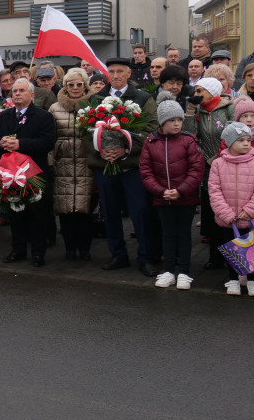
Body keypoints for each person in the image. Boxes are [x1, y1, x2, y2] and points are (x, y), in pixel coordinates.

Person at [88, 57, 156, 276]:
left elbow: (150, 131)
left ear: (129, 74)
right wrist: (102, 149)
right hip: (105, 166)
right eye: (111, 72)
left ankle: (145, 257)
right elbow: (84, 131)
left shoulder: (143, 98)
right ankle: (118, 254)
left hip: (131, 168)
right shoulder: (96, 99)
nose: (115, 75)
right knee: (110, 213)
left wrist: (125, 149)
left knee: (140, 213)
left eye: (120, 71)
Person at [139, 95, 203, 290]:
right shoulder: (151, 142)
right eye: (171, 120)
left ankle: (184, 272)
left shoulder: (189, 140)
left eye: (179, 120)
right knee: (167, 234)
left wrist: (180, 190)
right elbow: (146, 170)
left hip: (186, 198)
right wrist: (160, 191)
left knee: (184, 234)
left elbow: (196, 169)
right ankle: (168, 270)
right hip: (162, 198)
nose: (176, 124)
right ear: (162, 122)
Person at [0, 79, 56, 266]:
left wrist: (21, 145)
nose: (17, 94)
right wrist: (1, 142)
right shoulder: (4, 116)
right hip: (11, 172)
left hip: (34, 172)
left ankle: (38, 253)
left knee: (37, 215)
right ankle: (17, 250)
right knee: (15, 212)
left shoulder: (43, 116)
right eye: (14, 91)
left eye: (21, 90)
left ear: (32, 95)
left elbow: (48, 142)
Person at [184, 76, 234, 269]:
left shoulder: (228, 107)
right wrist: (190, 111)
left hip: (226, 164)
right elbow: (190, 136)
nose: (195, 95)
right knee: (212, 212)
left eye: (199, 91)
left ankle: (233, 257)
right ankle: (215, 257)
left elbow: (234, 132)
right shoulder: (198, 111)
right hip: (207, 168)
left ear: (212, 91)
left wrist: (220, 155)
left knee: (227, 212)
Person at [50, 68, 97, 260]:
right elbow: (50, 138)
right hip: (64, 164)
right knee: (66, 209)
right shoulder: (54, 108)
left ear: (85, 85)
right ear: (65, 86)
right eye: (71, 84)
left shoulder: (95, 106)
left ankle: (85, 248)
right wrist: (52, 160)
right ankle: (70, 248)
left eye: (79, 84)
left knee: (86, 209)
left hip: (88, 165)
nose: (75, 88)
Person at [207, 122, 254, 295]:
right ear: (229, 142)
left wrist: (249, 211)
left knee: (251, 251)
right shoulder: (218, 164)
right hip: (228, 220)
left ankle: (251, 281)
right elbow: (214, 190)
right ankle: (233, 279)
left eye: (248, 140)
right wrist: (226, 214)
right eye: (241, 140)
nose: (246, 143)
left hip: (249, 219)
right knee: (231, 250)